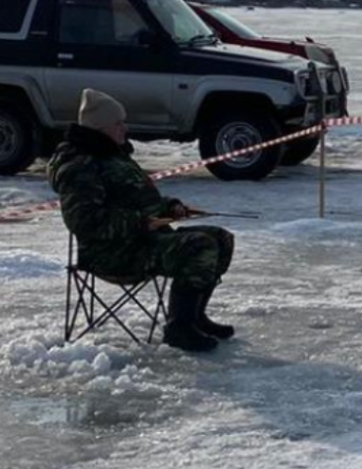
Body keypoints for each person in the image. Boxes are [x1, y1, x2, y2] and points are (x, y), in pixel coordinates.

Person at [48, 89, 237, 353]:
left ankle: (193, 317)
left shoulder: (112, 155)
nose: (125, 128)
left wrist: (170, 206)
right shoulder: (80, 167)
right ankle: (179, 329)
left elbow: (137, 197)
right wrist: (140, 222)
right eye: (118, 123)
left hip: (143, 240)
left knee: (221, 238)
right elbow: (84, 221)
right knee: (200, 246)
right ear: (101, 128)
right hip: (114, 253)